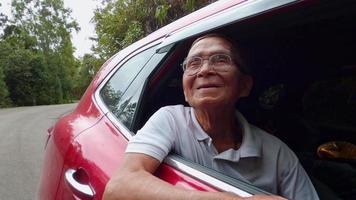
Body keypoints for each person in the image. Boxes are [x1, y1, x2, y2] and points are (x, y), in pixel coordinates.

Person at [103, 33, 319, 200]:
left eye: (220, 59)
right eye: (193, 63)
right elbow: (119, 187)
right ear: (186, 91)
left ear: (244, 85)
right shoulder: (171, 120)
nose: (204, 70)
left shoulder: (279, 155)